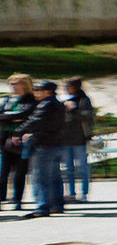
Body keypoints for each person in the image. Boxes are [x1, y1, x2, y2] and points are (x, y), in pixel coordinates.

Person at [15, 80, 83, 219]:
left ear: (47, 92)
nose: (35, 93)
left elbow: (35, 121)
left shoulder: (45, 105)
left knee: (40, 177)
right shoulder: (58, 104)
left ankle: (42, 206)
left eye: (38, 90)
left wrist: (19, 131)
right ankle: (57, 204)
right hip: (57, 144)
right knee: (55, 177)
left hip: (44, 145)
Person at [0, 73, 33, 211]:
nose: (13, 87)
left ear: (24, 85)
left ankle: (17, 199)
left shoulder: (30, 100)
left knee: (20, 171)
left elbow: (24, 115)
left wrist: (7, 116)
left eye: (16, 84)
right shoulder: (7, 100)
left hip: (21, 139)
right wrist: (10, 117)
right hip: (4, 139)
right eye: (12, 84)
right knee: (3, 172)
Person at [62, 76, 94, 201]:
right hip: (65, 138)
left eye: (68, 86)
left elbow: (87, 117)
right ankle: (71, 193)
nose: (66, 89)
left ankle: (84, 193)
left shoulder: (83, 100)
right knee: (68, 168)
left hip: (79, 138)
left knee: (82, 167)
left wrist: (73, 110)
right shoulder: (64, 100)